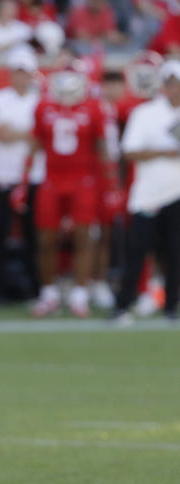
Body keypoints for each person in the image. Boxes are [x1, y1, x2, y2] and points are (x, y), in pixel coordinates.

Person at [28, 58, 109, 318]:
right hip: (52, 179)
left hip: (83, 180)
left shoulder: (94, 108)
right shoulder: (43, 107)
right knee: (46, 239)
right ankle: (49, 293)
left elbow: (102, 148)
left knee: (84, 238)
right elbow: (36, 144)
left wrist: (107, 183)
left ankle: (79, 294)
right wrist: (24, 178)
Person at [113, 60, 180, 323]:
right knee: (137, 251)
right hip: (149, 194)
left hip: (177, 193)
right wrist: (165, 151)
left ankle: (171, 307)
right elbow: (129, 151)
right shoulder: (145, 113)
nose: (175, 89)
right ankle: (122, 305)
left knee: (175, 253)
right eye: (171, 84)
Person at [0, 48, 42, 302]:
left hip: (33, 176)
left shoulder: (41, 100)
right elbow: (3, 134)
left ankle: (36, 288)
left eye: (25, 73)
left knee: (34, 235)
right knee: (1, 233)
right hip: (4, 175)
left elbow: (39, 139)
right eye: (17, 72)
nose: (21, 77)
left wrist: (19, 134)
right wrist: (27, 133)